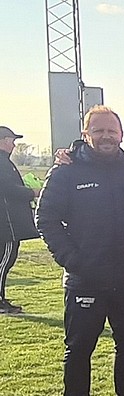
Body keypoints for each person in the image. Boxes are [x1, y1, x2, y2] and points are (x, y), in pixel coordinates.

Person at [36, 106, 124, 396]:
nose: (106, 136)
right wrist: (72, 260)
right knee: (79, 348)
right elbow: (45, 218)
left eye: (111, 131)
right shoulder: (66, 172)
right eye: (98, 130)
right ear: (85, 134)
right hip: (85, 278)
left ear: (121, 134)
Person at [0, 125, 39, 314]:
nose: (14, 145)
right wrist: (33, 192)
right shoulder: (2, 163)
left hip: (7, 222)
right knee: (5, 260)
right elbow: (8, 189)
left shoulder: (5, 162)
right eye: (11, 141)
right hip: (6, 224)